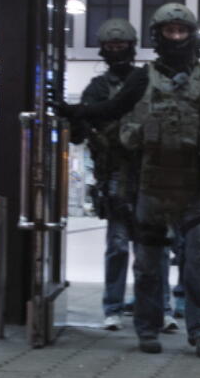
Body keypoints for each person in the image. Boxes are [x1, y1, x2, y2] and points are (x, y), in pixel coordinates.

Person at [60, 3, 200, 358]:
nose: (175, 37)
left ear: (190, 35)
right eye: (169, 31)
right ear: (158, 36)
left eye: (181, 31)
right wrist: (74, 111)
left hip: (195, 185)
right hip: (151, 183)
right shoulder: (142, 78)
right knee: (147, 263)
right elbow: (113, 110)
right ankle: (148, 327)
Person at [72, 17, 178, 333]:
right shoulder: (97, 88)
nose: (116, 51)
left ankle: (163, 307)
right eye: (110, 46)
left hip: (150, 173)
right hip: (115, 174)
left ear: (131, 47)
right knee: (118, 245)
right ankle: (113, 308)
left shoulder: (148, 80)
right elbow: (82, 130)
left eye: (121, 45)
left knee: (156, 246)